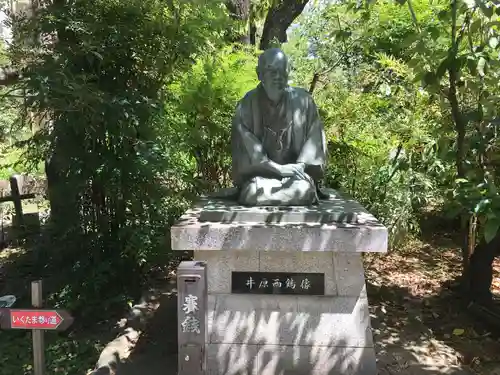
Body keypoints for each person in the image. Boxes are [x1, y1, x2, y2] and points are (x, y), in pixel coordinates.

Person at [231, 48, 327, 206]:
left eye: (282, 71)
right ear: (259, 73)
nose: (278, 77)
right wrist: (279, 170)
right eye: (272, 71)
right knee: (253, 193)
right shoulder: (247, 105)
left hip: (296, 176)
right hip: (261, 176)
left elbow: (314, 137)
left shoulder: (303, 101)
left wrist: (299, 167)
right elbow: (248, 150)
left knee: (303, 191)